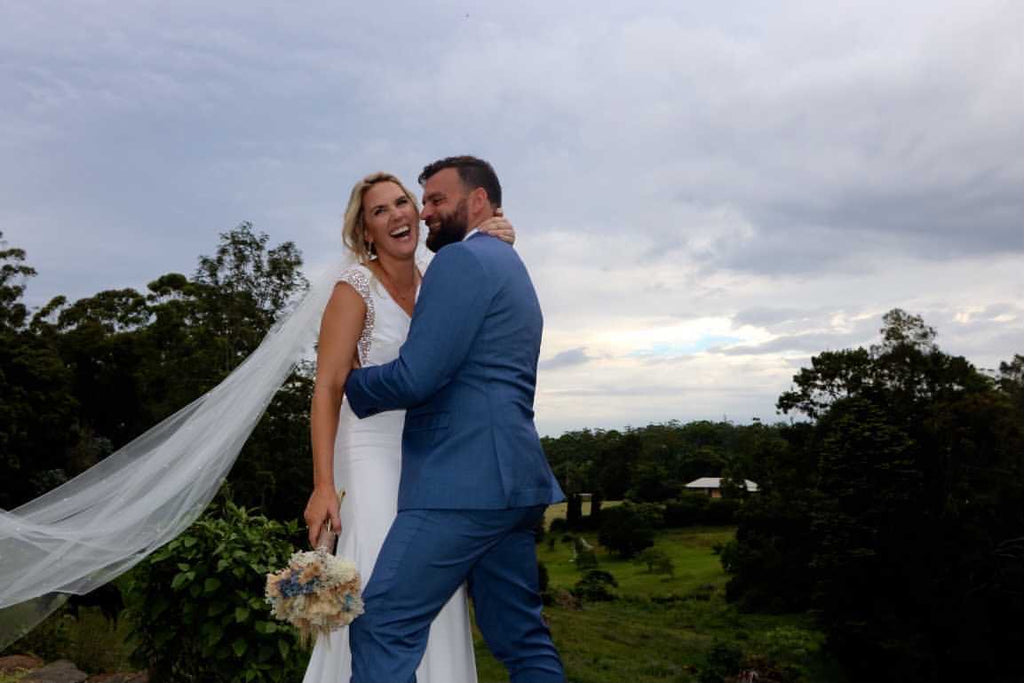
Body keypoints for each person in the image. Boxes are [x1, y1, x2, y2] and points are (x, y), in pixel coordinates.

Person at [344, 156, 566, 683]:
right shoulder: (510, 263)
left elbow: (417, 377)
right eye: (423, 202)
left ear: (480, 202)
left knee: (383, 623)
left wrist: (353, 382)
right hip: (513, 486)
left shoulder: (460, 263)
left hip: (459, 486)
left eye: (436, 200)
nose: (425, 214)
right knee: (521, 638)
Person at [300, 171, 517, 683]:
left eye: (403, 203)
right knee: (378, 583)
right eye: (380, 210)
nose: (398, 214)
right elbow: (328, 388)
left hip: (428, 456)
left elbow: (475, 266)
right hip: (370, 451)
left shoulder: (437, 279)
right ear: (366, 231)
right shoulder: (354, 290)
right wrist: (324, 485)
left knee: (432, 582)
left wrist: (499, 235)